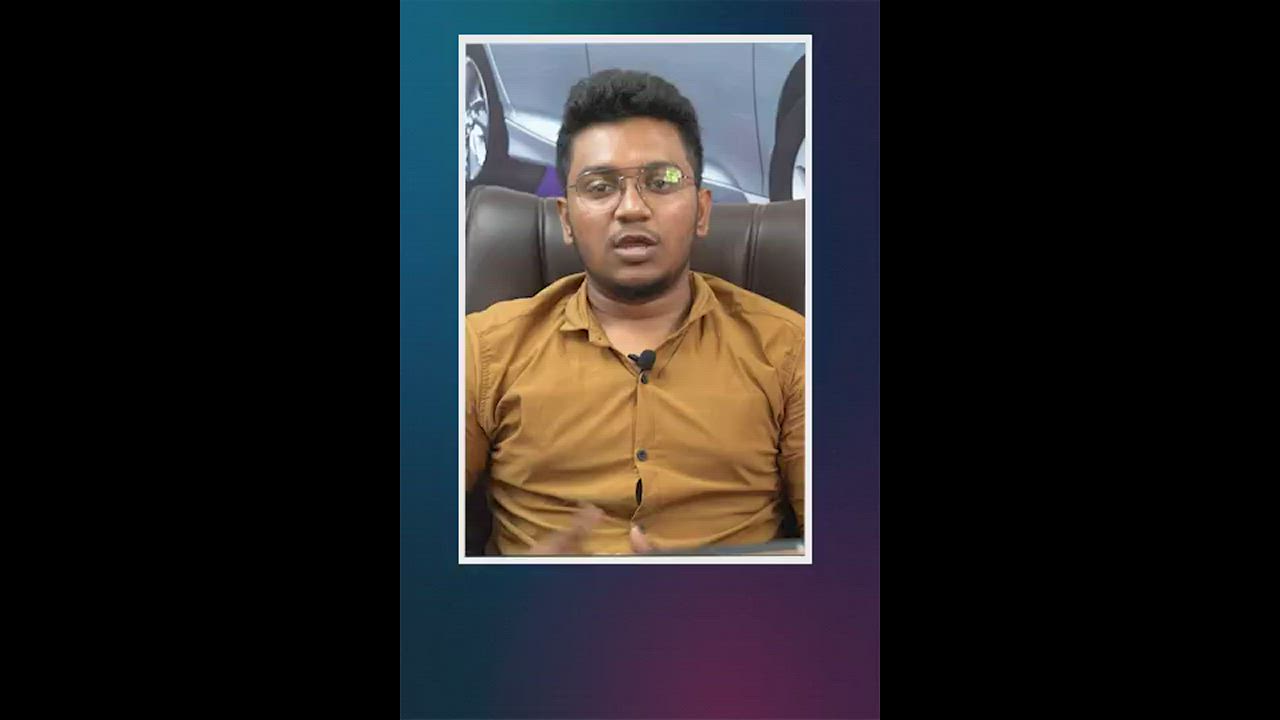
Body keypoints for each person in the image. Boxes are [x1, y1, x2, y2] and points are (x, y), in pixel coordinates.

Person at [465, 69, 804, 555]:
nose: (631, 208)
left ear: (702, 210)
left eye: (661, 181)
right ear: (565, 218)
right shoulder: (482, 351)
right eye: (600, 186)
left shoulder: (790, 351)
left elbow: (844, 551)